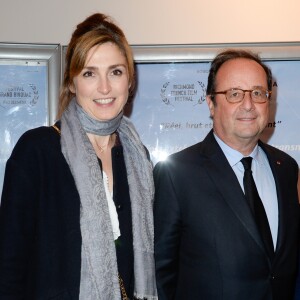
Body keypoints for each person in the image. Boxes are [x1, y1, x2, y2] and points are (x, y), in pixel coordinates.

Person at [0, 13, 157, 300]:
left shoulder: (138, 156)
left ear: (130, 81)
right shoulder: (37, 151)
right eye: (89, 73)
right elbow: (8, 268)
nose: (105, 87)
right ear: (72, 83)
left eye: (116, 72)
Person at [154, 49, 300, 300]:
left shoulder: (286, 168)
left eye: (257, 93)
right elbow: (160, 277)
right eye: (234, 94)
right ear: (211, 103)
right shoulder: (177, 175)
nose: (248, 105)